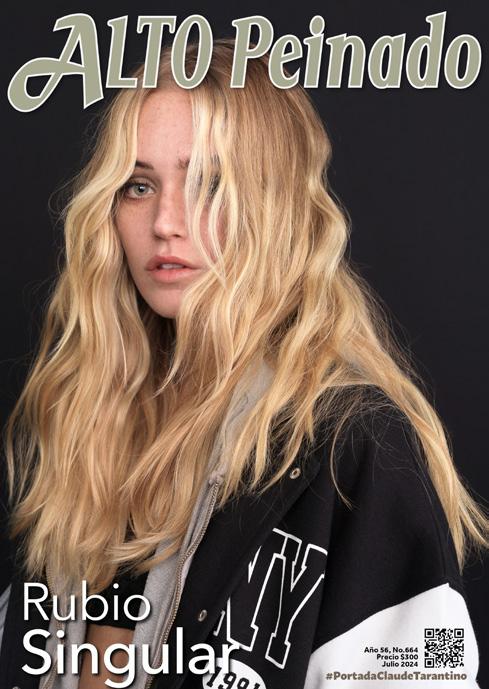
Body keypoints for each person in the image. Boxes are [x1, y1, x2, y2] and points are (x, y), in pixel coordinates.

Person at [0, 38, 487, 689]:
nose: (165, 222)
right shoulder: (89, 430)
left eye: (208, 183)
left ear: (274, 205)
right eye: (139, 185)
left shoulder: (356, 445)